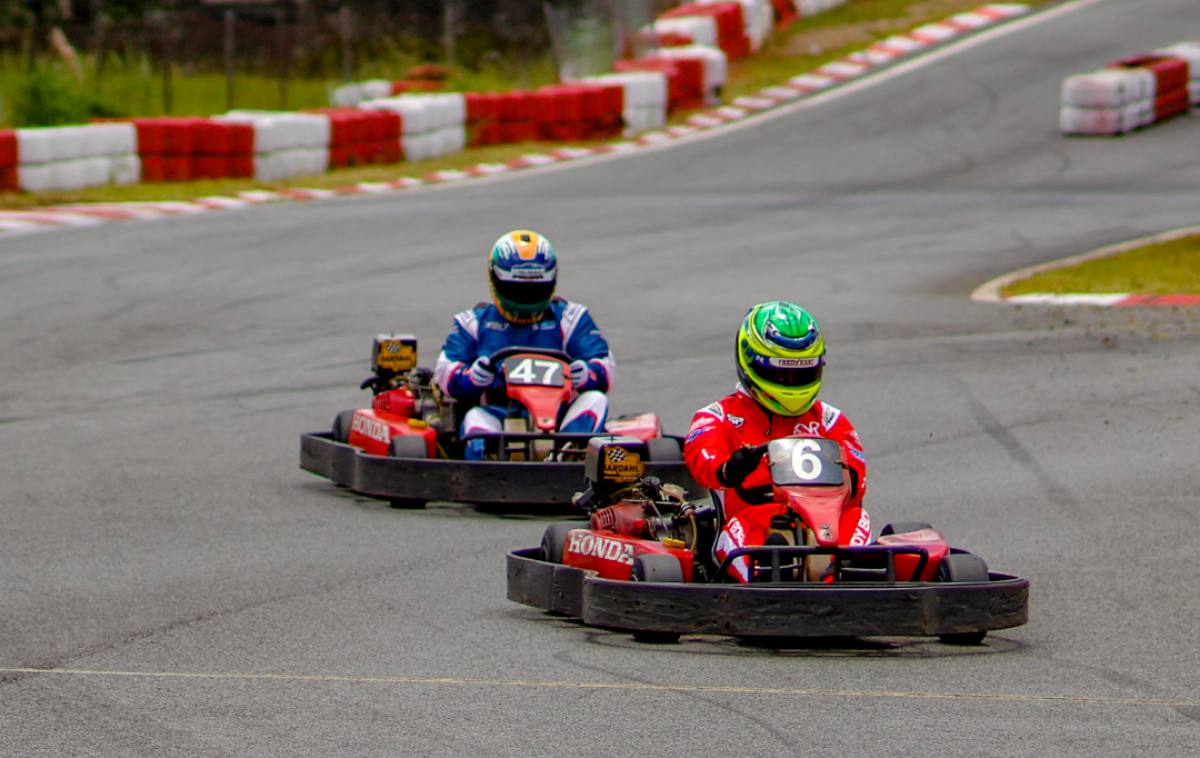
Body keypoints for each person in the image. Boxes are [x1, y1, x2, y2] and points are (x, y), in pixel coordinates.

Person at [683, 300, 867, 582]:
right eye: (782, 374)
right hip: (753, 518)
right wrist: (729, 468)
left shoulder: (830, 419)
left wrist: (849, 475)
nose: (791, 382)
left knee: (857, 519)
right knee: (759, 539)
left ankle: (851, 574)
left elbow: (857, 475)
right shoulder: (718, 416)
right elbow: (702, 458)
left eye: (801, 374)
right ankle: (769, 577)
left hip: (827, 522)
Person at [434, 230, 615, 459]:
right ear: (496, 280)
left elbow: (604, 364)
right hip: (499, 414)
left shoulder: (571, 318)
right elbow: (445, 370)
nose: (526, 297)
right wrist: (470, 378)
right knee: (474, 419)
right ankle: (489, 466)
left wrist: (589, 374)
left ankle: (567, 458)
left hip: (560, 419)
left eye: (534, 290)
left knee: (596, 400)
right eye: (517, 289)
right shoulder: (473, 322)